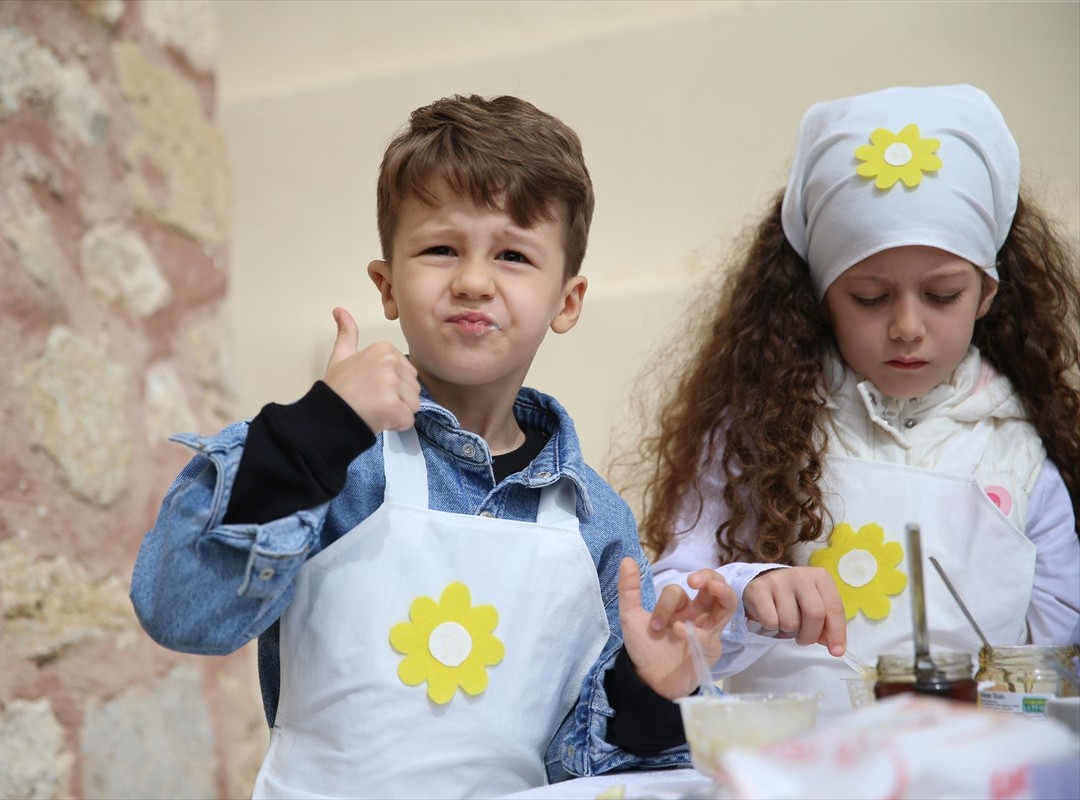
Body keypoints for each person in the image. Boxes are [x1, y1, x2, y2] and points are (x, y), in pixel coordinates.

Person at [130, 94, 737, 798]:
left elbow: (589, 774)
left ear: (566, 302)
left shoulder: (596, 521)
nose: (473, 281)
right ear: (387, 286)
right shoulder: (327, 454)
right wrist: (316, 430)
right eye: (440, 249)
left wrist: (649, 697)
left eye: (512, 255)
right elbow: (181, 612)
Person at [631, 84, 1080, 717]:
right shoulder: (759, 434)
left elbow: (1058, 660)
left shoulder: (1024, 458)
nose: (906, 327)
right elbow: (670, 605)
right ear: (819, 297)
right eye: (869, 297)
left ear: (987, 294)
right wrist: (749, 589)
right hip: (794, 773)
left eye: (942, 295)